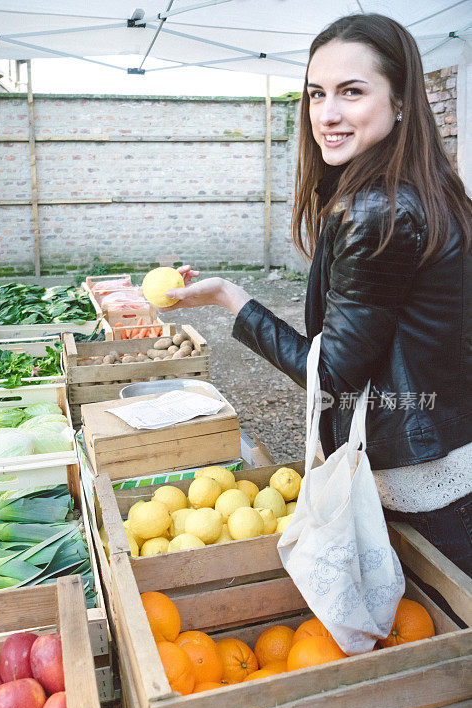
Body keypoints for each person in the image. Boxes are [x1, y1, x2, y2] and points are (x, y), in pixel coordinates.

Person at [163, 14, 472, 577]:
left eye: (351, 92)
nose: (326, 115)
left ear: (400, 100)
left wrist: (234, 300)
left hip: (412, 474)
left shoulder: (377, 208)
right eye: (316, 94)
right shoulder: (425, 189)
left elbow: (331, 372)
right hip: (443, 453)